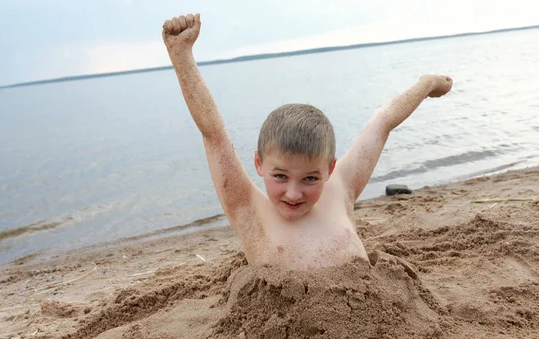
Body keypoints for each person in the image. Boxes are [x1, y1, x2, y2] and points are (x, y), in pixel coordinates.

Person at [162, 13, 453, 270]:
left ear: (329, 169)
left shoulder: (340, 189)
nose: (293, 193)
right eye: (280, 176)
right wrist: (181, 55)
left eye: (310, 179)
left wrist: (427, 84)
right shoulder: (248, 210)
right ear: (259, 163)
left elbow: (383, 121)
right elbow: (214, 133)